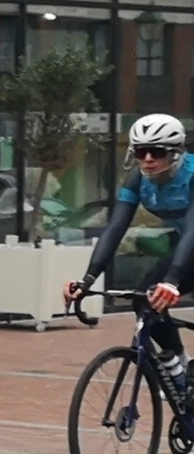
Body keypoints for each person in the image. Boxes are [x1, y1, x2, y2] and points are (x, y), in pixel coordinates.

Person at [67, 113, 194, 377]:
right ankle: (180, 364)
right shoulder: (138, 179)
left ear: (176, 153)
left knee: (162, 290)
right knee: (146, 300)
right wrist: (88, 279)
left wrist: (171, 280)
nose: (147, 159)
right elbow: (115, 229)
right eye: (140, 152)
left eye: (156, 152)